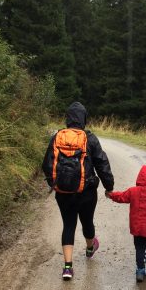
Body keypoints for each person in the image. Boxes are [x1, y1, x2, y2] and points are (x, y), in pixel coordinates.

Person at [42, 102, 114, 280]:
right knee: (87, 222)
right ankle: (90, 247)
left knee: (68, 225)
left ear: (68, 118)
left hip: (63, 192)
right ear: (84, 119)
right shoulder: (90, 138)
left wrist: (55, 183)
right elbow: (102, 163)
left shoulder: (57, 137)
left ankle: (67, 267)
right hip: (86, 192)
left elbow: (46, 164)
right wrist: (109, 186)